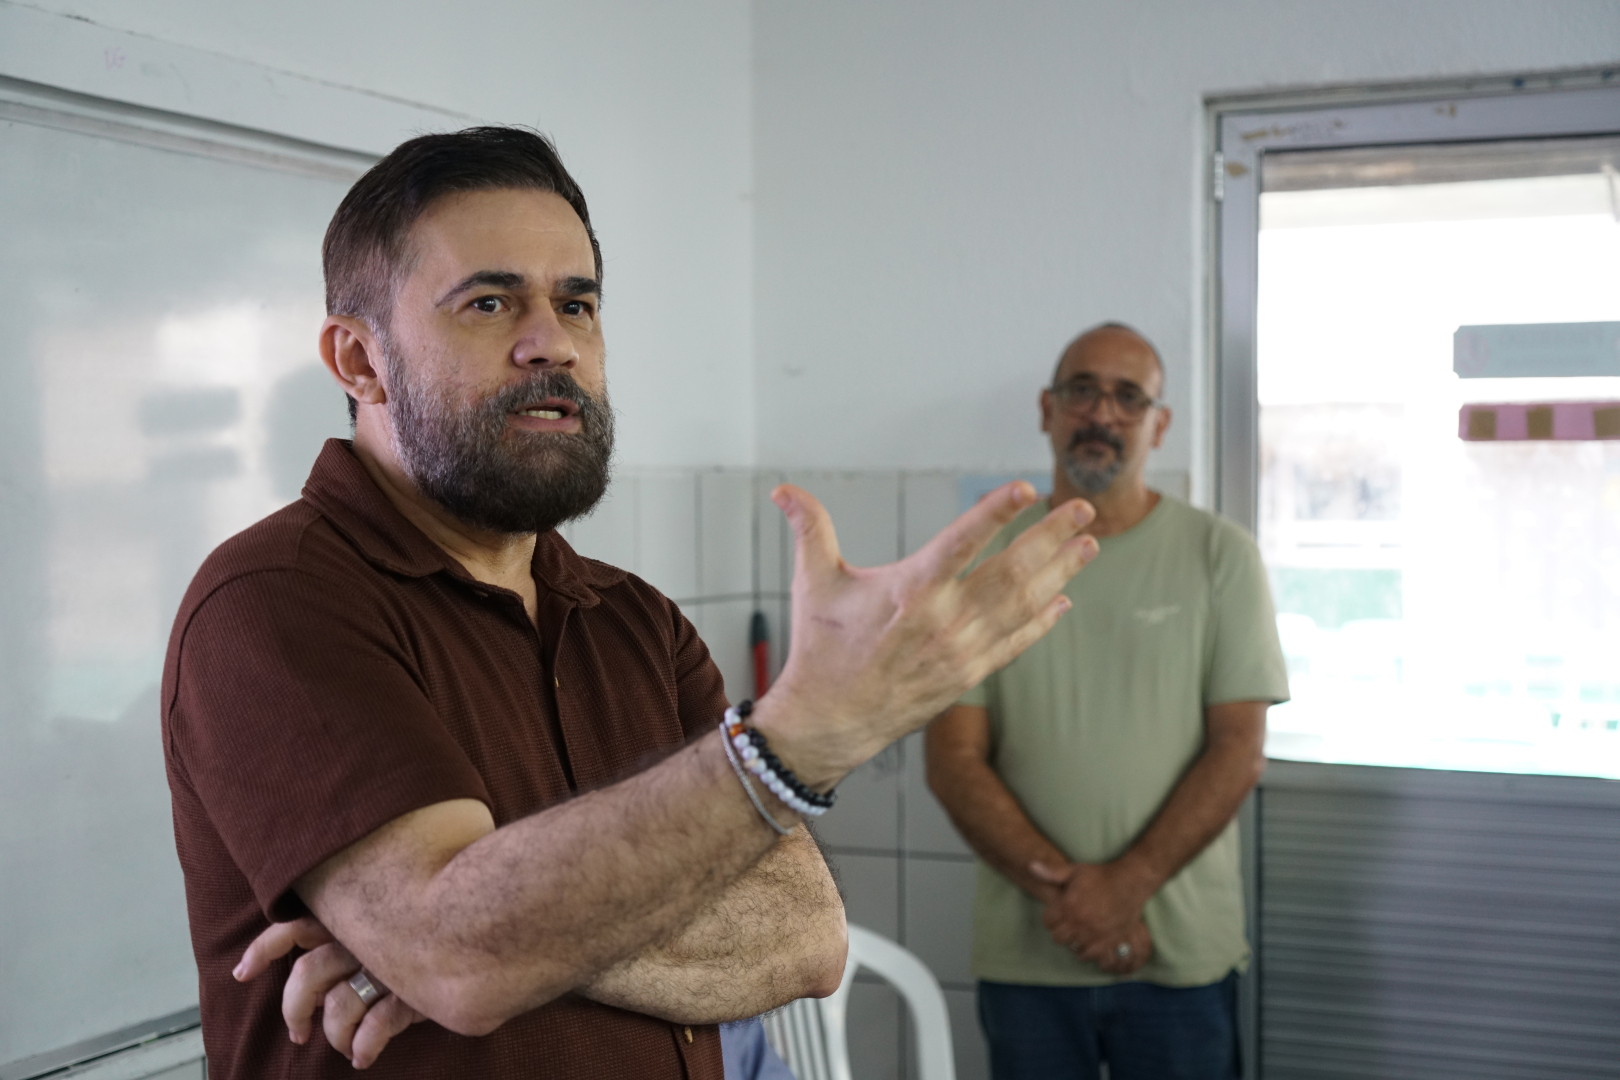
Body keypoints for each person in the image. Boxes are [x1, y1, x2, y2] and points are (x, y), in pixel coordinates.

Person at [162, 126, 1102, 1079]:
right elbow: (457, 954)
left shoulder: (635, 621)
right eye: (489, 302)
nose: (553, 343)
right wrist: (796, 743)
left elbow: (806, 936)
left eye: (576, 303)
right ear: (360, 361)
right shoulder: (274, 603)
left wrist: (492, 942)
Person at [925, 323, 1290, 1080]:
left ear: (1160, 424)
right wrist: (1079, 905)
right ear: (1047, 409)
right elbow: (953, 759)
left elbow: (1239, 751)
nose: (1102, 413)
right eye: (1082, 390)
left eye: (1129, 397)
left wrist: (1125, 888)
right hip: (1029, 959)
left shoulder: (1220, 556)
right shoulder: (986, 561)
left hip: (1181, 958)